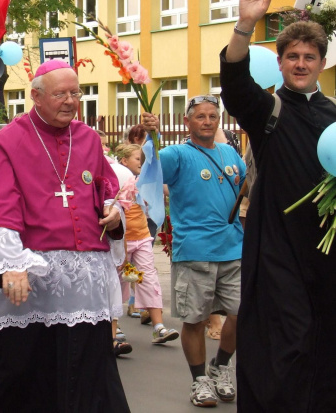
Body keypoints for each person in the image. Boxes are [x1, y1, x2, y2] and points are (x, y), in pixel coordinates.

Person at [0, 60, 131, 413]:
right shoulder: (9, 141)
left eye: (76, 93)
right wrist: (11, 264)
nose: (71, 101)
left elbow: (108, 190)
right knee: (24, 374)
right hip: (33, 277)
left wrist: (114, 213)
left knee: (86, 371)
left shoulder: (89, 138)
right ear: (36, 96)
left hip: (82, 281)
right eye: (61, 93)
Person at [220, 1, 336, 410]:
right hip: (279, 250)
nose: (301, 64)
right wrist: (245, 23)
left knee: (326, 347)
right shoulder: (269, 109)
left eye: (309, 57)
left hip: (327, 251)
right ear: (281, 64)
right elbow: (234, 83)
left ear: (322, 62)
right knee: (289, 343)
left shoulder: (334, 116)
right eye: (292, 57)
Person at [142, 95, 245, 408]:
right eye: (200, 116)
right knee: (195, 320)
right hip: (194, 251)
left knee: (244, 314)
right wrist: (152, 135)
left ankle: (221, 365)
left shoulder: (229, 152)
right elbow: (153, 164)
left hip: (234, 249)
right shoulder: (177, 154)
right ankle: (199, 379)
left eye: (213, 116)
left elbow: (244, 188)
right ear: (187, 122)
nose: (207, 121)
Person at [115, 143, 179, 345]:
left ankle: (158, 327)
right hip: (120, 241)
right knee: (117, 283)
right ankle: (114, 329)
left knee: (148, 278)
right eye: (137, 159)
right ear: (124, 161)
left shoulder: (144, 181)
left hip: (141, 237)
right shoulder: (116, 180)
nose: (141, 164)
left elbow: (164, 189)